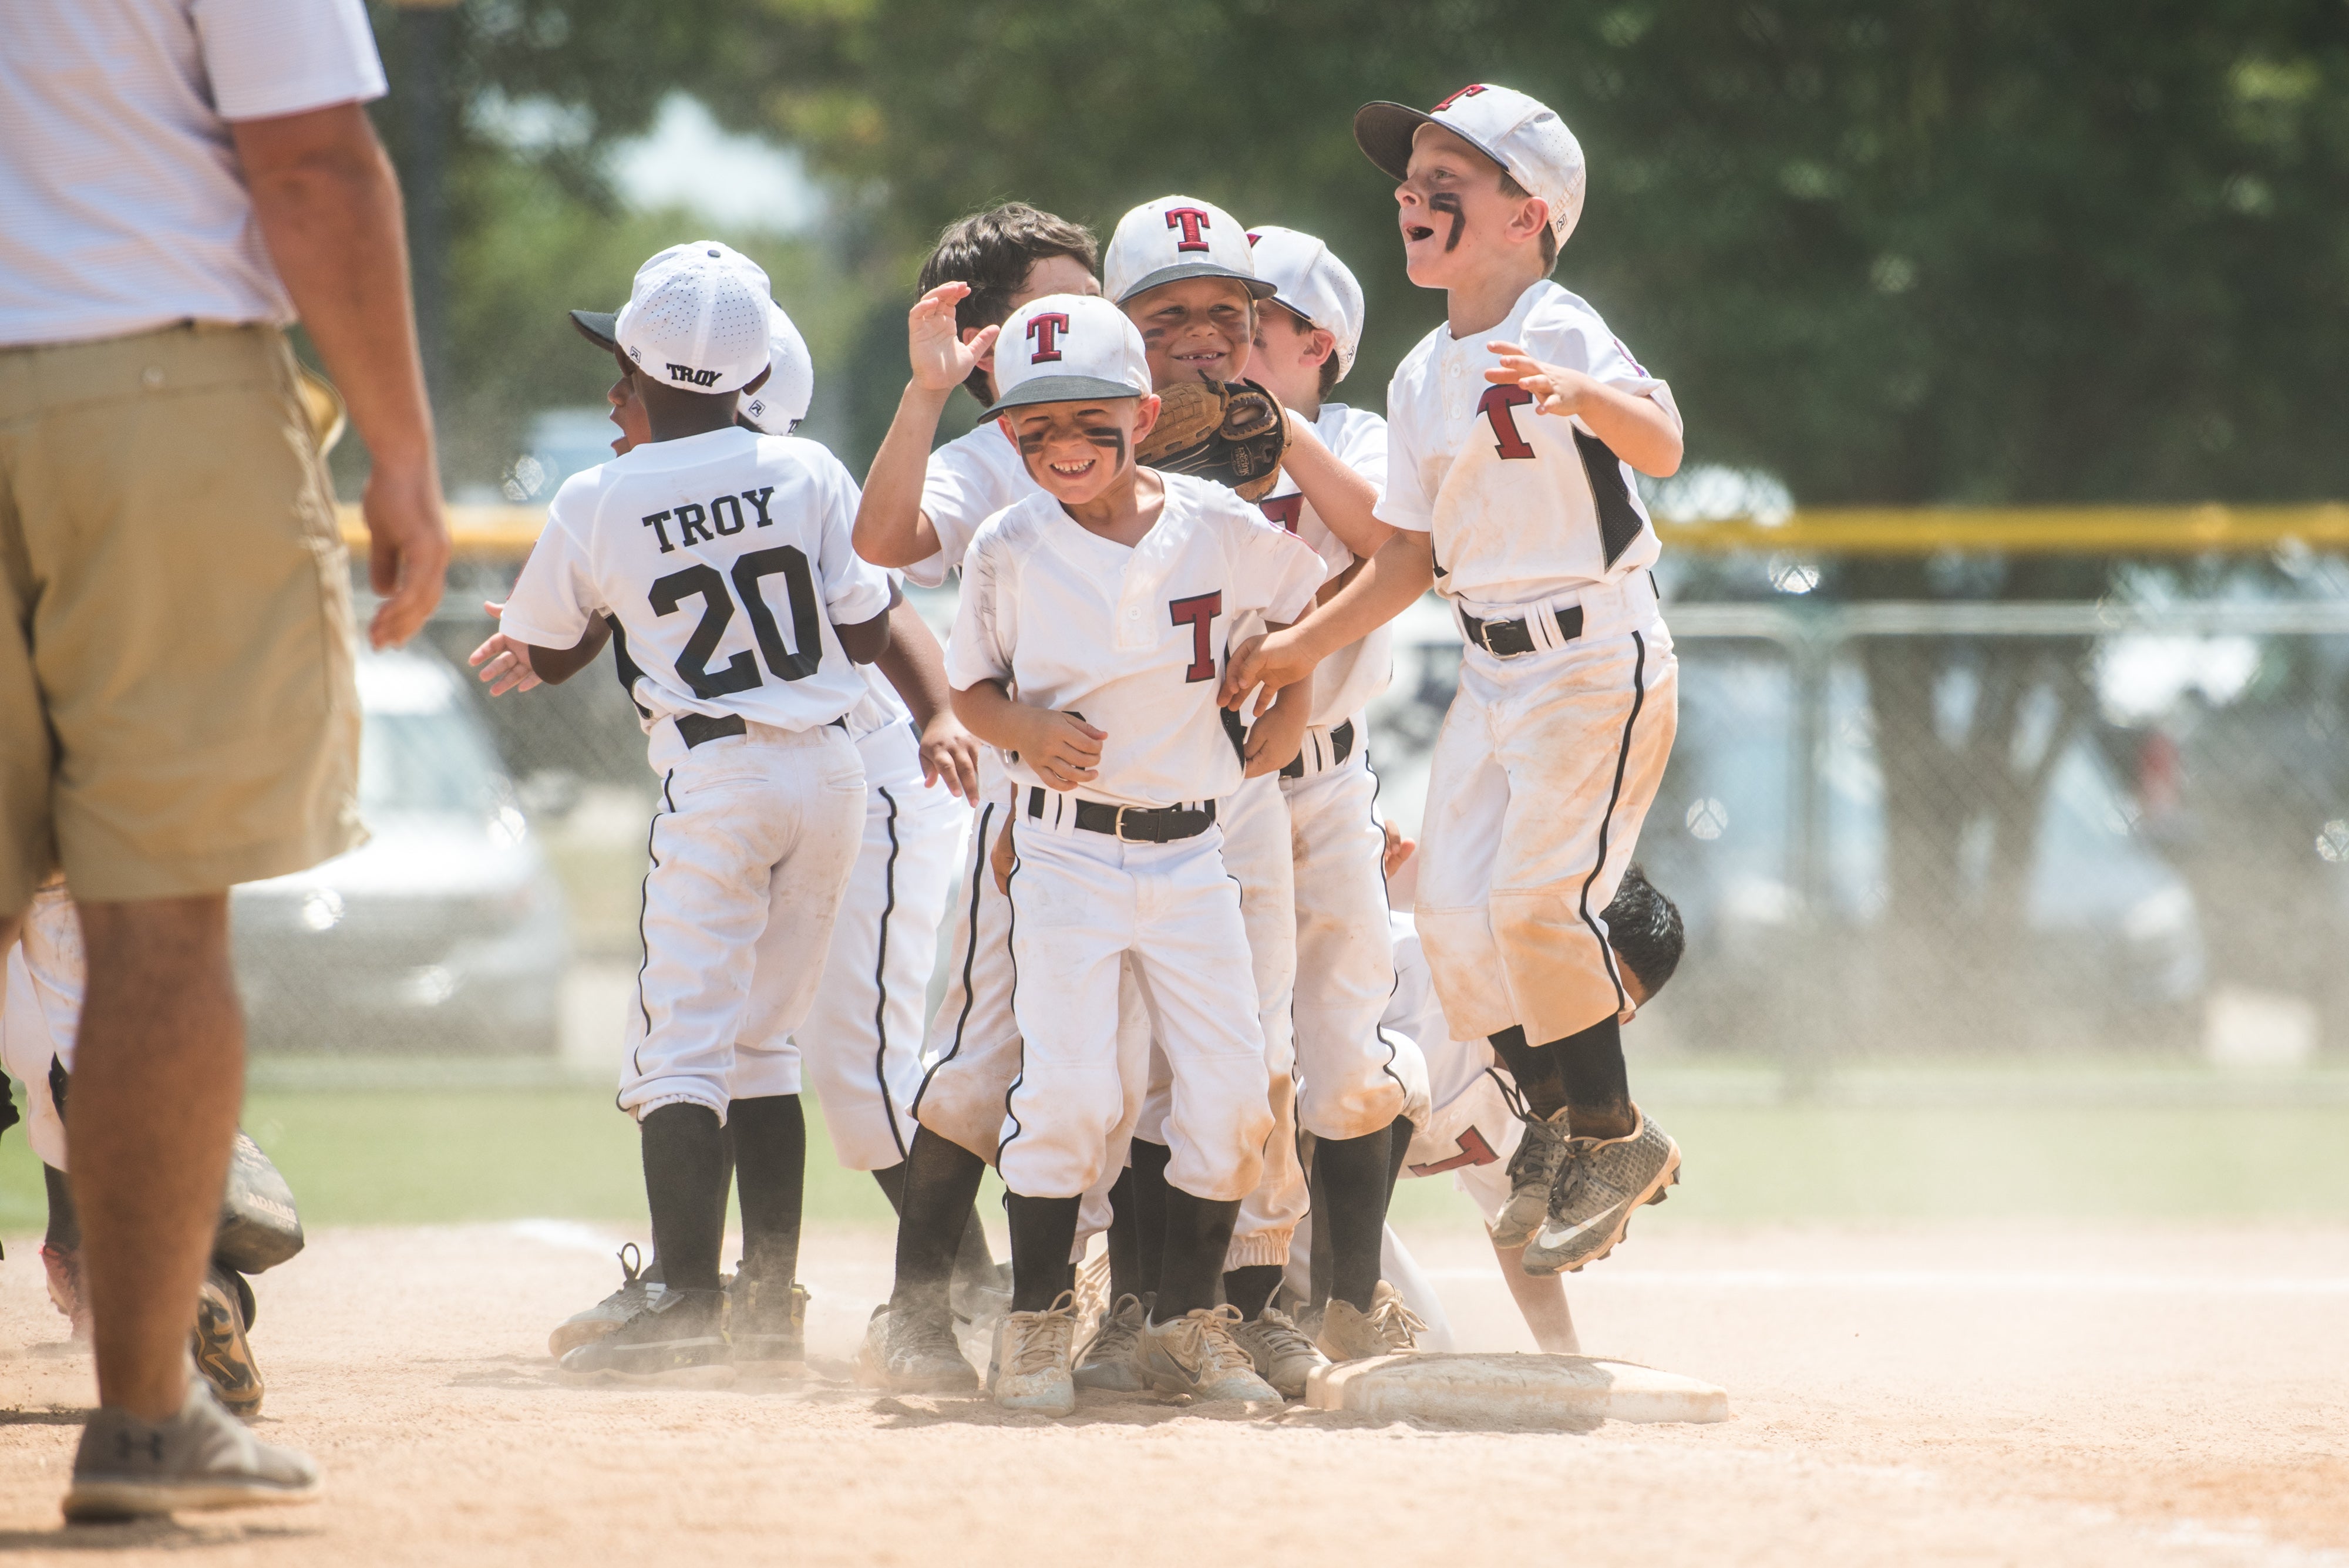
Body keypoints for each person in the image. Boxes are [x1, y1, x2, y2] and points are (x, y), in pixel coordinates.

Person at [2, 0, 447, 1520]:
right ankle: (139, 1417)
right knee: (150, 911)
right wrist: (400, 447)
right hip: (140, 385)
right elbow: (313, 160)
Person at [1229, 82, 1687, 1278]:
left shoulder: (1557, 323)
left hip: (1592, 655)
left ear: (1527, 214)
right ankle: (1551, 1126)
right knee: (1445, 921)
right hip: (1491, 666)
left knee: (1538, 906)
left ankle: (1609, 1133)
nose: (1413, 194)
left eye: (1450, 180)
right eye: (1409, 177)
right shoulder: (1419, 376)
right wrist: (1293, 649)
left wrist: (1583, 395)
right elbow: (1405, 566)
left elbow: (1662, 443)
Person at [476, 297, 985, 1363]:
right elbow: (862, 620)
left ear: (648, 376)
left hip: (720, 778)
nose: (612, 391)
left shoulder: (595, 494)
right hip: (834, 770)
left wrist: (622, 600)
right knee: (763, 1044)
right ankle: (763, 1301)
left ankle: (683, 1297)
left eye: (621, 372)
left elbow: (554, 649)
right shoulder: (803, 474)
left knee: (680, 1047)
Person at [945, 292, 1325, 1412]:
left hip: (1193, 855)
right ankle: (1034, 1322)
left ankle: (1186, 1323)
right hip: (1067, 856)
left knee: (1231, 1099)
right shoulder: (1008, 544)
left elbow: (1309, 614)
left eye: (1091, 423)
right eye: (1034, 428)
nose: (1063, 448)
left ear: (1146, 413)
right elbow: (970, 689)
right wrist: (1020, 730)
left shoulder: (1214, 523)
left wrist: (1292, 704)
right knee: (1070, 1089)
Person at [849, 205, 1121, 1393]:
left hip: (1179, 820)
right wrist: (922, 395)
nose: (1086, 314)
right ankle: (915, 1312)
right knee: (978, 1062)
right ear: (988, 342)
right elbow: (888, 544)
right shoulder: (984, 457)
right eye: (1052, 299)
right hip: (1034, 821)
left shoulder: (1137, 420)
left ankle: (1145, 1314)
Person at [1373, 832, 1685, 1351]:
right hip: (1243, 1176)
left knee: (1422, 1349)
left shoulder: (1547, 1109)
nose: (1590, 1019)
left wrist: (1562, 1353)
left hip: (1314, 1218)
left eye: (1613, 1012)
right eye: (1587, 983)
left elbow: (1515, 1236)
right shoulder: (1414, 971)